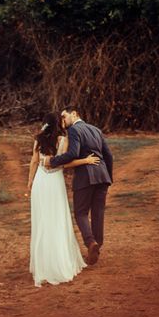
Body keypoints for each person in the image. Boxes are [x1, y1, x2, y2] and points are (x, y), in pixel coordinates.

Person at [27, 112, 100, 287]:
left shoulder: (38, 140)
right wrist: (85, 160)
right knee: (58, 221)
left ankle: (44, 265)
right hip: (54, 184)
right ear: (57, 124)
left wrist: (29, 184)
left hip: (40, 183)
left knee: (42, 222)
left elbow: (34, 162)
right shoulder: (62, 140)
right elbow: (65, 163)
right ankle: (59, 262)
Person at [46, 105, 113, 265]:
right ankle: (96, 247)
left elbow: (73, 154)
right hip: (102, 177)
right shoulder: (96, 130)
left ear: (74, 114)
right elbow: (108, 155)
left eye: (64, 116)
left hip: (85, 177)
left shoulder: (75, 130)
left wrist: (53, 161)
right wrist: (108, 177)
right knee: (98, 213)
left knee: (81, 213)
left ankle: (90, 243)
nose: (63, 120)